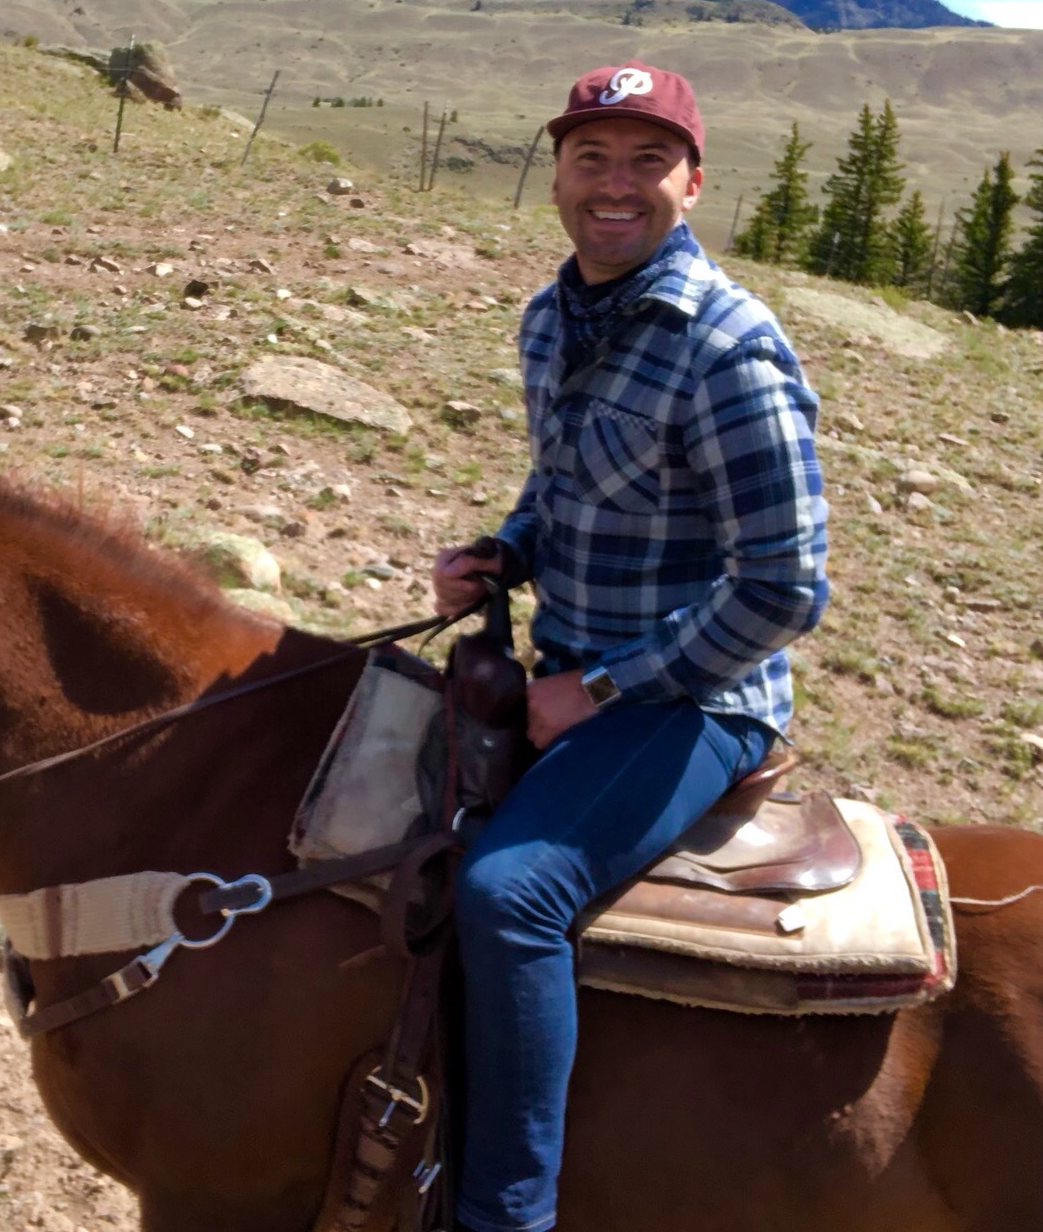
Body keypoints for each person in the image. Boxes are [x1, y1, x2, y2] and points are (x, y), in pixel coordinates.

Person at [429, 61, 829, 1232]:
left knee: (512, 893)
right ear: (554, 175)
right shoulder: (554, 313)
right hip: (575, 666)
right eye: (590, 157)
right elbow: (564, 487)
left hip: (701, 696)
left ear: (692, 183)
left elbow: (784, 587)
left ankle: (506, 1210)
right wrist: (503, 552)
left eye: (647, 160)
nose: (615, 185)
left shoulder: (727, 348)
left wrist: (600, 689)